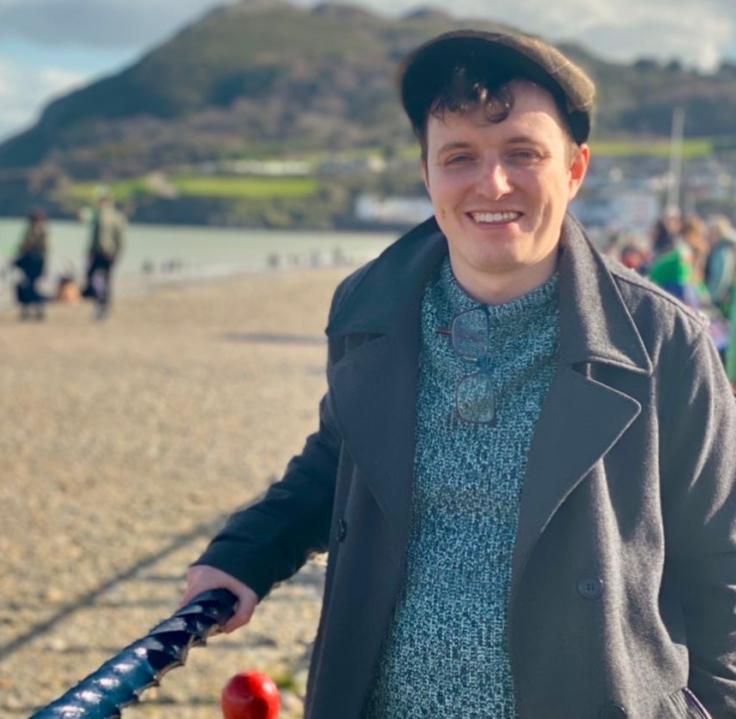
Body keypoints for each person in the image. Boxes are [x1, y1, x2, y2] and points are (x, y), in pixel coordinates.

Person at [180, 30, 736, 718]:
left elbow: (722, 571)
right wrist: (245, 552)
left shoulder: (662, 341)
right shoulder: (370, 311)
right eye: (460, 156)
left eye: (522, 154)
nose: (491, 183)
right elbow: (339, 461)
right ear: (427, 173)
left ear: (575, 169)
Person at [85, 196, 126, 319]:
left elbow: (120, 238)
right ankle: (100, 302)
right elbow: (93, 237)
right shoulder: (98, 217)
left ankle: (104, 305)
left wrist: (117, 253)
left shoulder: (116, 217)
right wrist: (89, 252)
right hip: (97, 253)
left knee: (106, 280)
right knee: (91, 276)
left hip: (108, 253)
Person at [14, 209, 48, 321]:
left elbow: (41, 247)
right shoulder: (34, 230)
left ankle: (37, 310)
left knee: (32, 287)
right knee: (29, 286)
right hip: (31, 262)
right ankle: (30, 310)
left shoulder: (40, 231)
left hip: (35, 262)